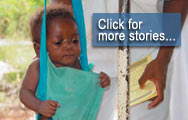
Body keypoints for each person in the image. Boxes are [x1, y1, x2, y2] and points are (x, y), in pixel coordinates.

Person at [19, 5, 110, 120]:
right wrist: (39, 106)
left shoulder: (77, 65)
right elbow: (24, 93)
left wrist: (101, 81)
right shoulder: (39, 67)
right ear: (39, 49)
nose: (68, 46)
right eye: (58, 43)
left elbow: (86, 88)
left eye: (74, 41)